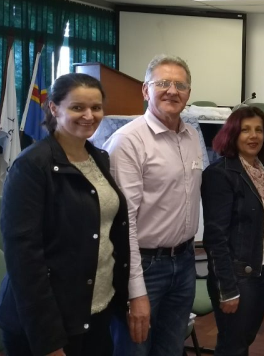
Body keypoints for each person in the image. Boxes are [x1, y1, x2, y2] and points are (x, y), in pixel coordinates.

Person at [0, 73, 129, 356]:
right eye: (77, 107)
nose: (89, 115)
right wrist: (49, 339)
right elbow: (24, 260)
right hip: (48, 322)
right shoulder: (31, 166)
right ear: (54, 108)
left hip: (96, 309)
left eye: (96, 107)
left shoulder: (98, 158)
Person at [104, 55, 204, 356]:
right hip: (144, 267)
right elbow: (125, 224)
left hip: (184, 261)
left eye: (180, 85)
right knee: (134, 350)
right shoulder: (128, 141)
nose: (172, 91)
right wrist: (136, 291)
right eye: (163, 83)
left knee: (171, 349)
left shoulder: (191, 137)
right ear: (146, 90)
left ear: (188, 93)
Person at [202, 106, 264, 354]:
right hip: (238, 275)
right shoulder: (219, 174)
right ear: (232, 133)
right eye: (245, 130)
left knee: (244, 339)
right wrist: (227, 288)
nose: (254, 136)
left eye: (259, 130)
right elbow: (215, 238)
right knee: (233, 345)